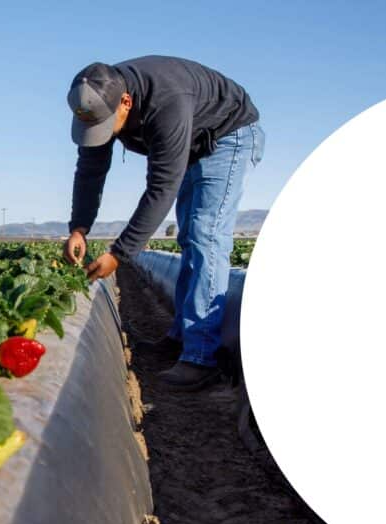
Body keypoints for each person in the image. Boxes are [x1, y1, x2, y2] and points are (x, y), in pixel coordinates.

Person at [62, 55, 264, 391]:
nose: (99, 135)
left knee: (206, 236)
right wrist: (79, 227)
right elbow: (90, 171)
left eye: (105, 125)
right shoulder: (101, 99)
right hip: (196, 140)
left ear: (125, 102)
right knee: (190, 238)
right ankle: (182, 337)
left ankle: (201, 357)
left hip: (228, 135)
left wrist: (120, 253)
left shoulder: (166, 103)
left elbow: (161, 189)